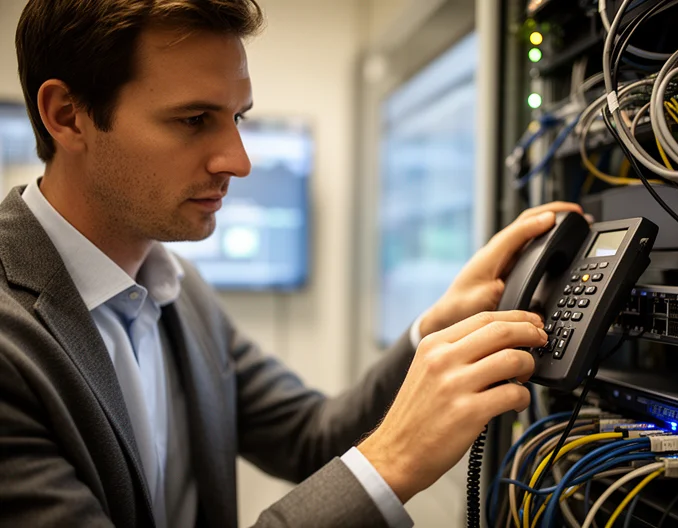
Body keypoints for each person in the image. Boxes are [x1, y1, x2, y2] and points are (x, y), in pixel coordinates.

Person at [0, 1, 583, 527]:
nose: (239, 160)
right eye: (193, 120)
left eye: (239, 119)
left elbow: (311, 437)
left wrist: (436, 327)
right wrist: (392, 463)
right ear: (67, 115)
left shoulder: (176, 289)